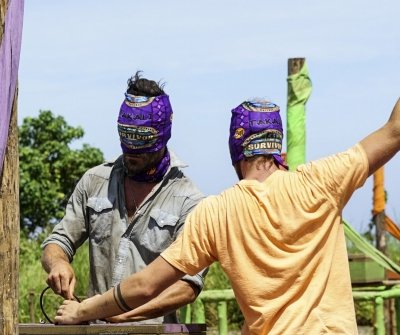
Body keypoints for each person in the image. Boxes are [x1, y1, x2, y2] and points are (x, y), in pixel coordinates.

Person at [54, 96, 400, 334]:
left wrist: (82, 311)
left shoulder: (217, 212)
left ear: (236, 150)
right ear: (276, 147)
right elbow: (394, 130)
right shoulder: (322, 182)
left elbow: (146, 285)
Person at [41, 71, 206, 324]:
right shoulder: (95, 181)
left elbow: (187, 286)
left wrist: (120, 314)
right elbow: (58, 241)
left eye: (142, 141)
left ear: (162, 136)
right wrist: (57, 264)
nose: (132, 151)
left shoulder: (189, 201)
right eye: (126, 137)